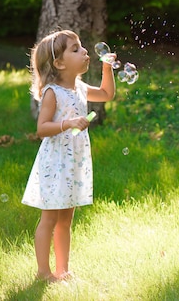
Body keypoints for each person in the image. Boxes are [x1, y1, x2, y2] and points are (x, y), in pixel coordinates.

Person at [22, 29, 116, 282]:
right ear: (59, 63)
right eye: (75, 49)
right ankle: (43, 272)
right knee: (49, 218)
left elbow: (107, 95)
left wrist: (107, 69)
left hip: (74, 161)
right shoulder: (53, 92)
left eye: (81, 46)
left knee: (66, 220)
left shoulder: (81, 88)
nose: (84, 51)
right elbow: (42, 129)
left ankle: (63, 270)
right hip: (55, 163)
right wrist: (68, 123)